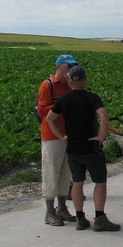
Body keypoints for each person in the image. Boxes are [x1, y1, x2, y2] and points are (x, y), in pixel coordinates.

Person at [46, 66, 120, 231]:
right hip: (90, 146)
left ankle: (80, 218)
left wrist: (61, 136)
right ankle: (100, 217)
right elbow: (104, 116)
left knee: (78, 183)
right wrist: (101, 136)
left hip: (73, 147)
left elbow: (49, 119)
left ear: (70, 80)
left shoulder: (63, 99)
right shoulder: (91, 98)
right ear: (84, 79)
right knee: (100, 182)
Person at [37, 54, 77, 226]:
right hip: (52, 136)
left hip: (68, 134)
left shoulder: (70, 86)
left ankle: (62, 208)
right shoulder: (48, 85)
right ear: (59, 66)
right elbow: (42, 110)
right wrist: (61, 105)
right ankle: (49, 212)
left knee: (66, 173)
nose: (71, 69)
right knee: (51, 173)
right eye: (68, 66)